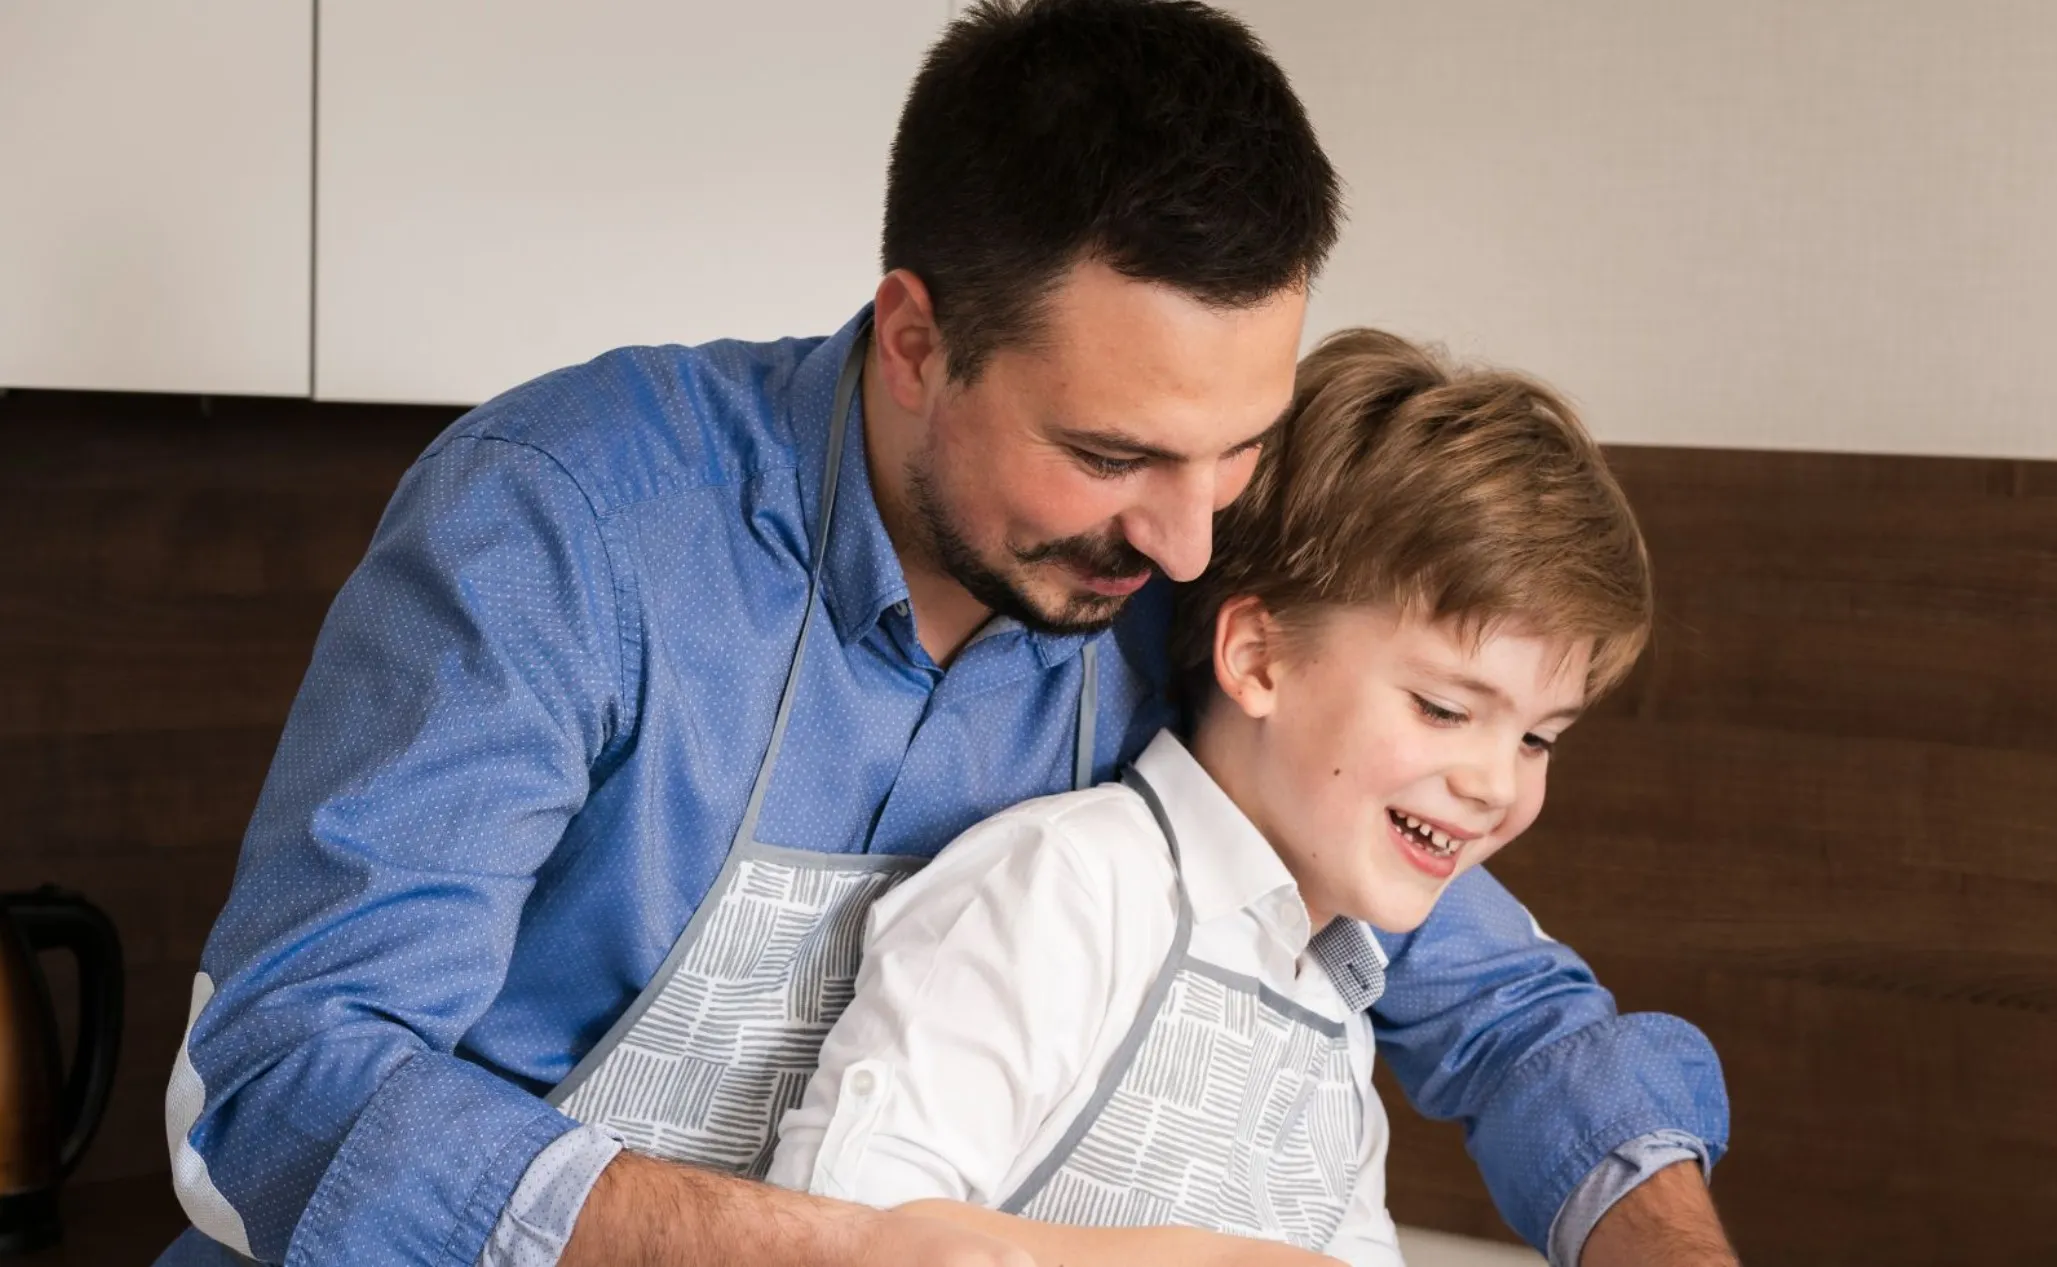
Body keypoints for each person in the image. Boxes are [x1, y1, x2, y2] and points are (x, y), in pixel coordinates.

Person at [156, 2, 1730, 1265]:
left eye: (1237, 446)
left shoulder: (1177, 582)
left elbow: (1502, 1008)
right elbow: (285, 1081)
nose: (1191, 537)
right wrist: (877, 1248)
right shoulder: (567, 523)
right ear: (917, 339)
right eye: (1111, 456)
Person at [767, 329, 1685, 1267]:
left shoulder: (1333, 1005)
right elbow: (839, 1230)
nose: (1496, 785)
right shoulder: (1069, 890)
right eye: (1444, 708)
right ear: (1258, 658)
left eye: (1538, 738)